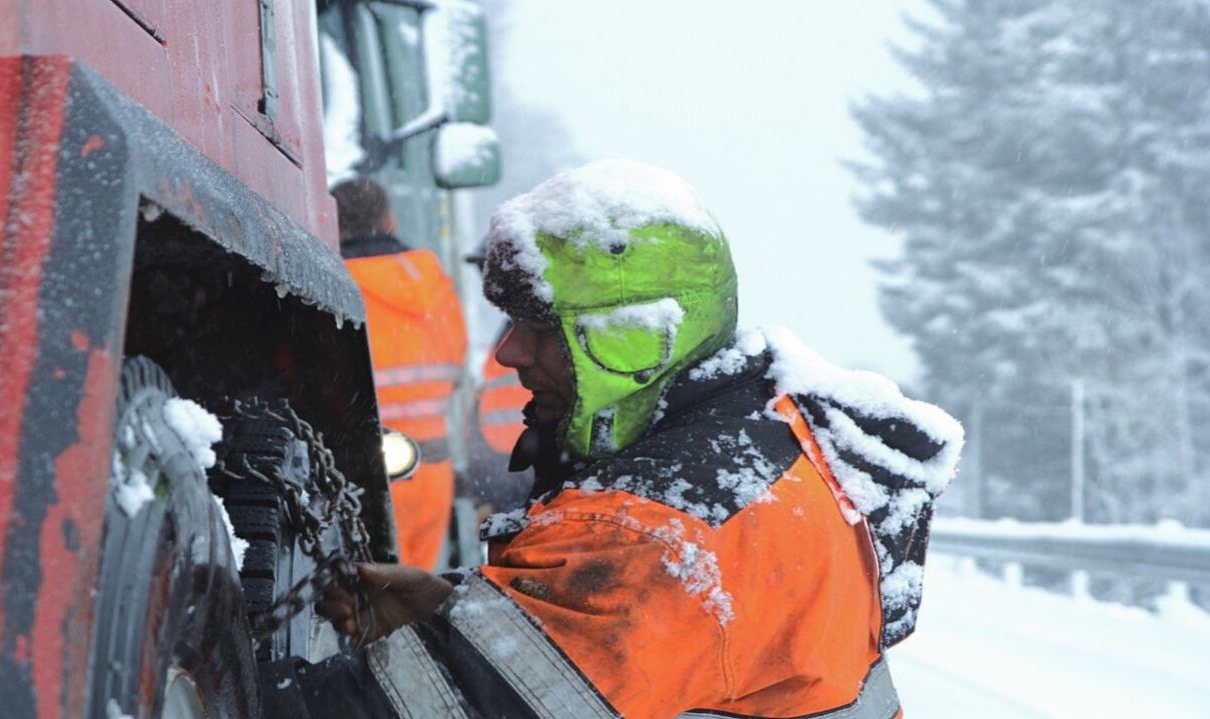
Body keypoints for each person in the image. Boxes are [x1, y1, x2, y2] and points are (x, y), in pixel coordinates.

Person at [266, 160, 963, 718]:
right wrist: (458, 612)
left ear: (637, 337)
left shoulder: (653, 532)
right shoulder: (762, 446)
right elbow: (667, 654)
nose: (508, 352)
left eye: (541, 326)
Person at [335, 178, 468, 571]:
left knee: (368, 589)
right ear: (390, 220)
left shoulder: (335, 280)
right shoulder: (430, 275)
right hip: (432, 467)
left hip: (363, 470)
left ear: (334, 224)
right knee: (415, 589)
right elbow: (456, 357)